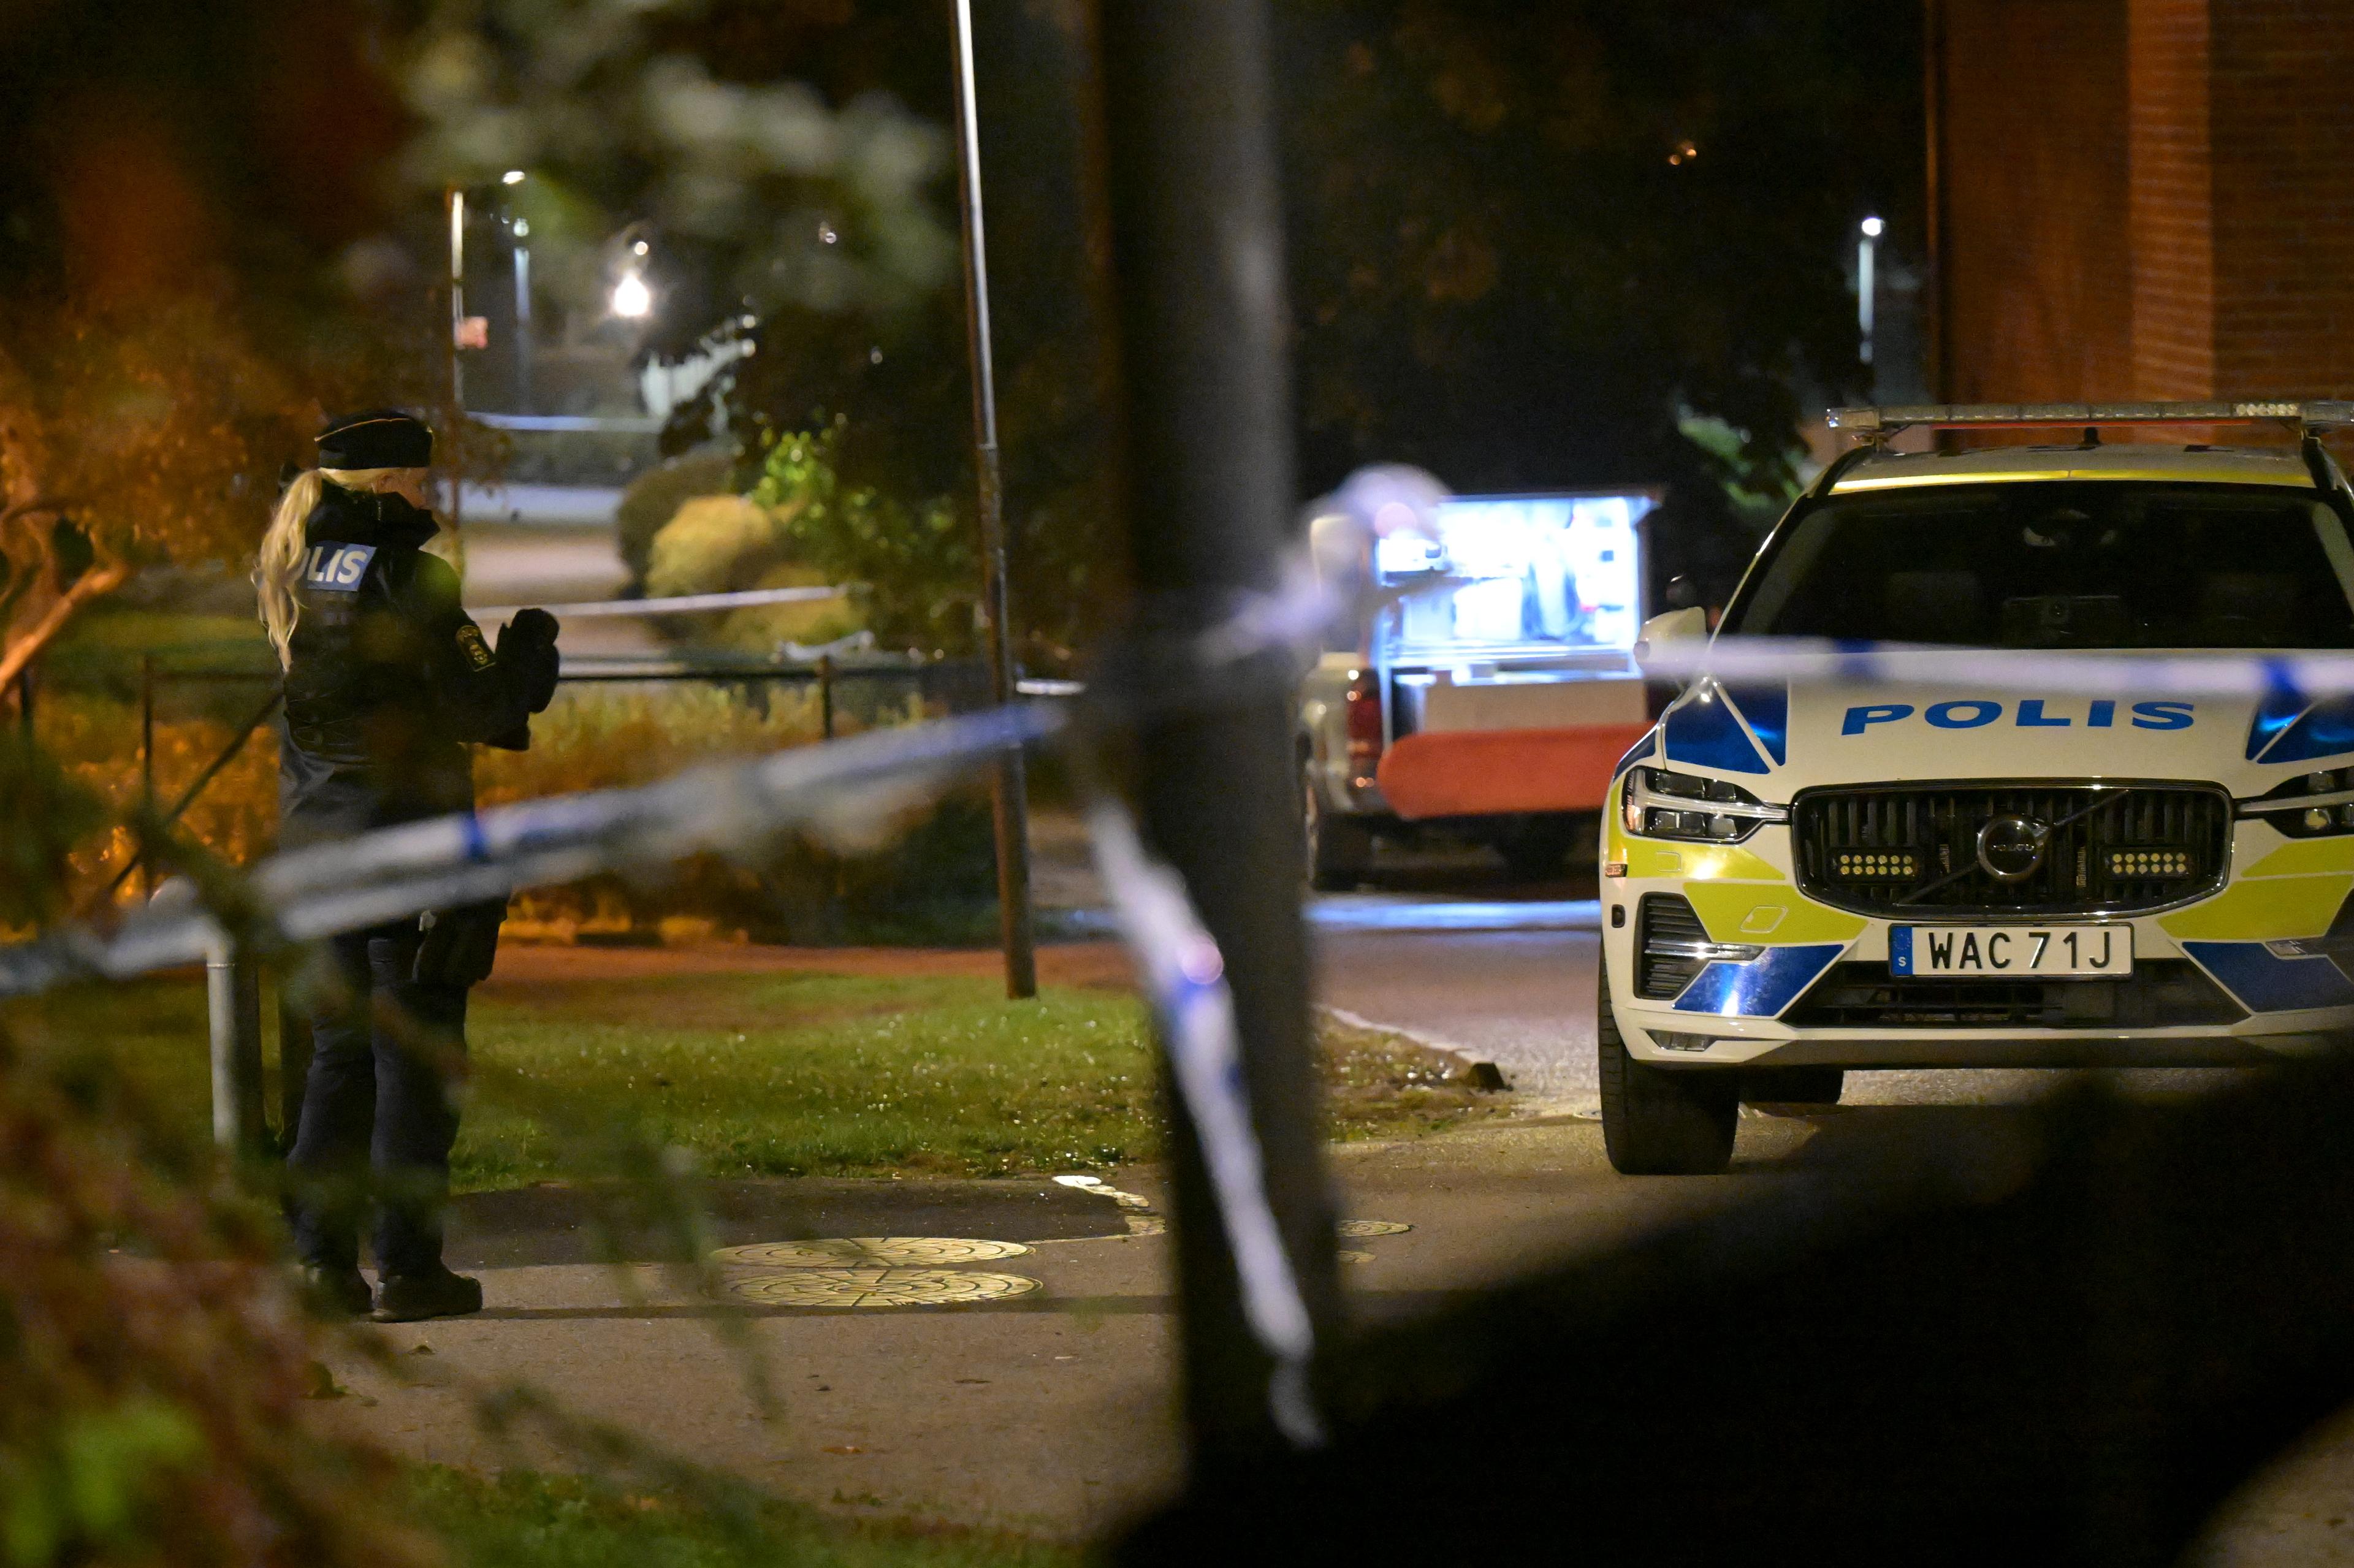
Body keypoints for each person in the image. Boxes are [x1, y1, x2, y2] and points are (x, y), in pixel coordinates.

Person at [254, 409, 561, 1322]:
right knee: (414, 1060)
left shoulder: (296, 573)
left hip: (315, 857)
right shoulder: (410, 577)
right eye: (421, 481)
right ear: (388, 484)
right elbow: (483, 705)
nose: (430, 496)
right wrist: (532, 652)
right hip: (409, 855)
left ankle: (318, 1264)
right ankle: (409, 1269)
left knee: (337, 1060)